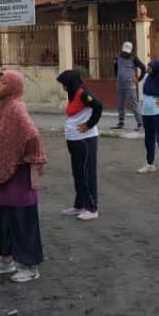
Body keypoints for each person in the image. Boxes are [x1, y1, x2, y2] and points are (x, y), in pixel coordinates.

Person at [0, 70, 48, 283]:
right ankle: (6, 260)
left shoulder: (16, 108)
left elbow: (32, 135)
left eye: (3, 83)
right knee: (4, 216)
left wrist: (29, 158)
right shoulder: (2, 106)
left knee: (22, 217)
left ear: (12, 87)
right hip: (4, 171)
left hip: (18, 172)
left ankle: (29, 266)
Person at [56, 69, 104, 220]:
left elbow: (98, 106)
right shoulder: (73, 93)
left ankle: (92, 208)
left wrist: (89, 124)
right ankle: (80, 204)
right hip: (75, 139)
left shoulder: (83, 93)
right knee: (78, 173)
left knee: (86, 173)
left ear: (70, 82)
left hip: (85, 139)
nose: (63, 87)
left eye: (64, 84)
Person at [113, 42, 146, 131]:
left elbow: (143, 68)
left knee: (133, 103)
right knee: (120, 103)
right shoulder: (117, 57)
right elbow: (115, 69)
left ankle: (140, 123)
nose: (125, 53)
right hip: (120, 84)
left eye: (127, 52)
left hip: (130, 84)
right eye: (124, 51)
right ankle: (121, 122)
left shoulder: (134, 58)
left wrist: (138, 79)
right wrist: (117, 78)